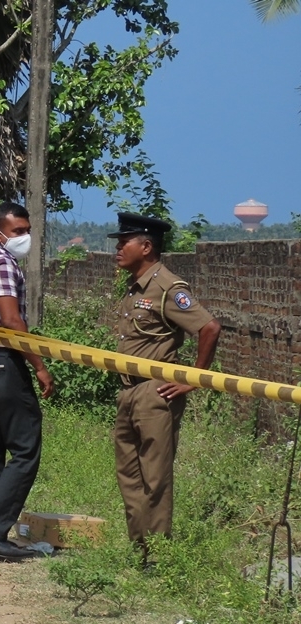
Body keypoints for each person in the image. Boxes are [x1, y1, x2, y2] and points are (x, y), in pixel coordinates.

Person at [110, 212, 221, 567]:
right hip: (128, 390)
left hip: (155, 394)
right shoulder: (136, 285)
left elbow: (209, 328)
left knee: (155, 478)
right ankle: (138, 549)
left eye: (124, 241)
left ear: (146, 246)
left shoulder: (168, 287)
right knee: (129, 474)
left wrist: (193, 378)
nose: (117, 247)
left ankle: (157, 556)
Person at [0, 201, 54, 563]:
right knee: (25, 448)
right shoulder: (2, 262)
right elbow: (12, 320)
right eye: (19, 232)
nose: (25, 237)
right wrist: (39, 366)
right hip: (3, 361)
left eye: (28, 230)